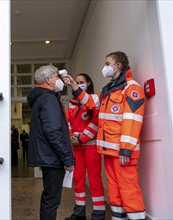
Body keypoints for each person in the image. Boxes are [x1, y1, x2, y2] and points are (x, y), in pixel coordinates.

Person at [63, 51, 146, 220]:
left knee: (128, 189)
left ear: (119, 65)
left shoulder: (131, 88)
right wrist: (73, 84)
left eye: (108, 64)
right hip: (108, 150)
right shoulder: (109, 90)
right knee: (114, 190)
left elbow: (132, 120)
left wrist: (126, 150)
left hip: (122, 152)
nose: (105, 67)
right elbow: (91, 101)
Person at [27, 65, 75, 220]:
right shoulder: (48, 98)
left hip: (49, 157)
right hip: (53, 158)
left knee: (49, 198)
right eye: (56, 77)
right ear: (48, 80)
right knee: (51, 200)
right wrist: (67, 158)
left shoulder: (43, 97)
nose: (59, 80)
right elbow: (53, 132)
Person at [65, 73, 106, 220]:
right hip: (76, 147)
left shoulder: (95, 100)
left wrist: (81, 139)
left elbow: (96, 122)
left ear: (88, 83)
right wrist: (72, 137)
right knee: (78, 178)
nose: (79, 83)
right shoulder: (72, 102)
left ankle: (99, 213)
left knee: (94, 179)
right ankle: (79, 213)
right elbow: (68, 120)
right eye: (76, 82)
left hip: (90, 146)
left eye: (81, 81)